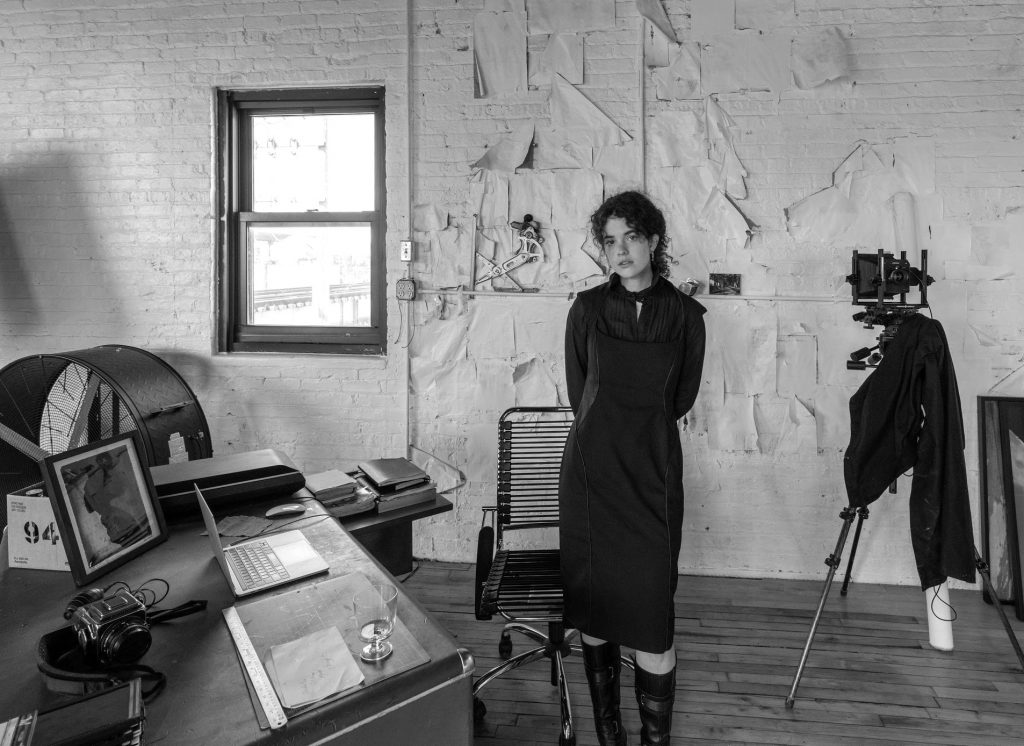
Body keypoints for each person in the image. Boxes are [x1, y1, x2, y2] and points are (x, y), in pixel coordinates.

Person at [559, 190, 706, 745]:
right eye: (609, 241)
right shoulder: (587, 309)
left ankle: (653, 740)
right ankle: (606, 730)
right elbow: (581, 392)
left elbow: (682, 398)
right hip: (592, 479)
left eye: (631, 238)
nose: (620, 251)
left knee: (651, 615)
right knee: (596, 611)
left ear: (654, 240)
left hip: (653, 475)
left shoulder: (687, 316)